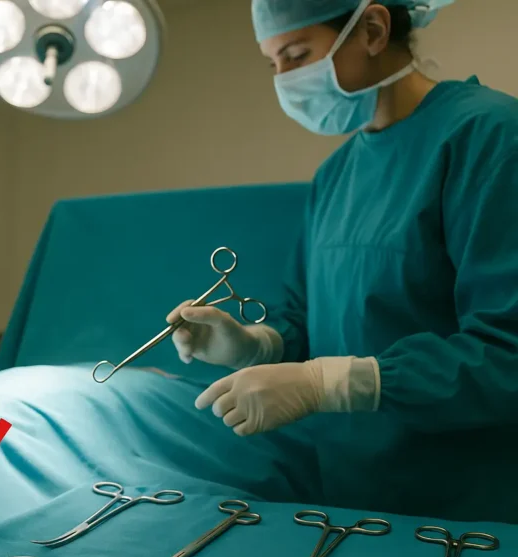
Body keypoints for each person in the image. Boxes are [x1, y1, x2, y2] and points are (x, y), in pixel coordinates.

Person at [166, 0, 518, 521]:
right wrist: (252, 345)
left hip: (470, 509)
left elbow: (507, 352)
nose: (284, 79)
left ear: (373, 29)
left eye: (296, 54)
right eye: (273, 63)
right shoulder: (335, 176)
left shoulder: (489, 136)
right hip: (350, 499)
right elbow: (309, 321)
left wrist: (328, 384)